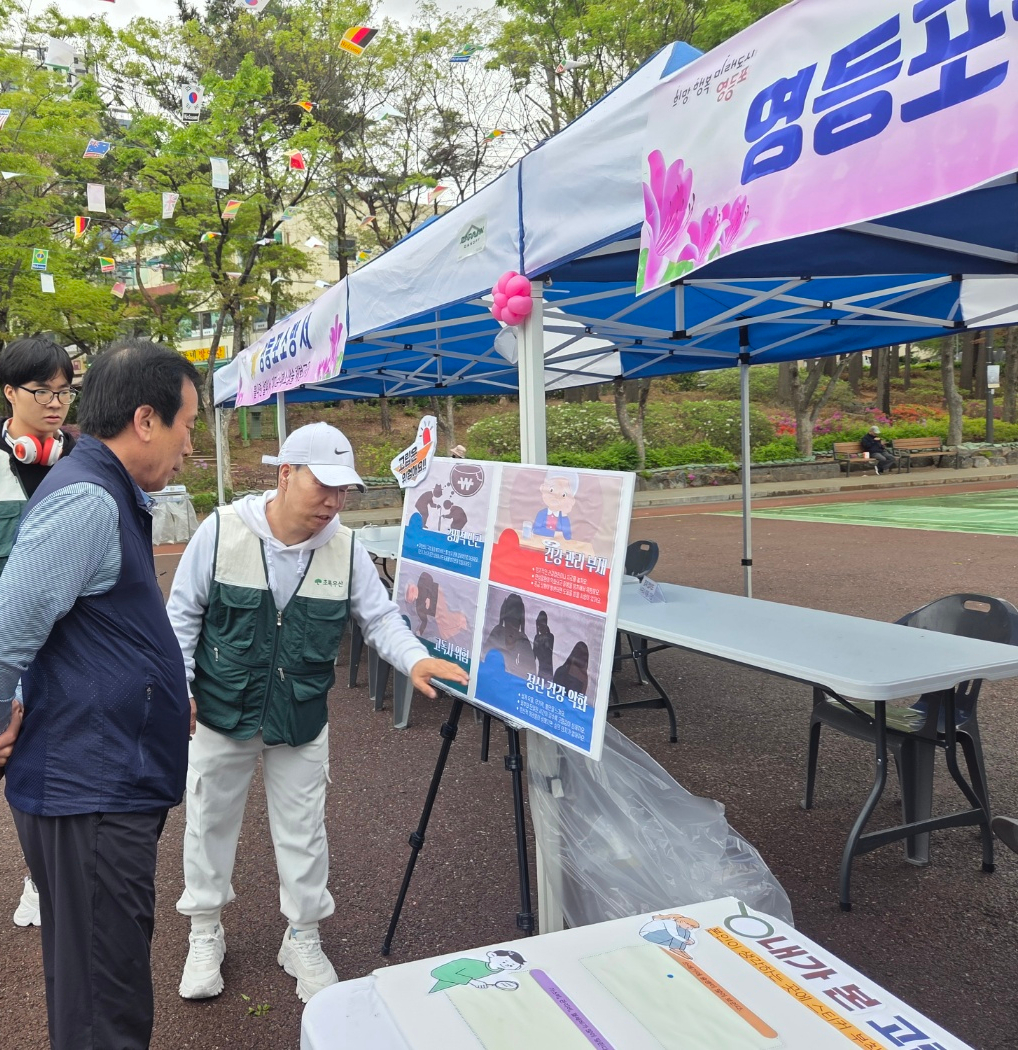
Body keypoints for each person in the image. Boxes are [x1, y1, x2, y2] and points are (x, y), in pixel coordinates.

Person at [166, 422, 468, 1004]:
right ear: (286, 474)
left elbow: (379, 618)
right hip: (222, 708)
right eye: (322, 485)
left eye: (343, 489)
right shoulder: (222, 530)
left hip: (300, 715)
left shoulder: (346, 548)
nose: (333, 501)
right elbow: (181, 616)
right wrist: (180, 688)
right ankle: (205, 931)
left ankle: (302, 935)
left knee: (304, 831)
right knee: (207, 820)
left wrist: (414, 659)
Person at [0, 340, 200, 1050]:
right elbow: (9, 629)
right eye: (186, 425)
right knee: (102, 1004)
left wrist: (164, 688)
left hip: (102, 776)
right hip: (90, 783)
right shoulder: (87, 498)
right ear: (146, 419)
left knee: (99, 983)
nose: (189, 445)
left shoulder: (106, 489)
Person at [0, 337, 78, 929]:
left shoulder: (81, 460)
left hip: (72, 643)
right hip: (9, 642)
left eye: (64, 391)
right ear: (9, 392)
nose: (55, 402)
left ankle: (50, 874)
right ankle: (36, 872)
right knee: (14, 749)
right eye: (41, 391)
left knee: (64, 754)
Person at [533, 469, 579, 539]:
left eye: (563, 495)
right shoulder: (541, 513)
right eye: (551, 490)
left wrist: (564, 514)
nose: (556, 496)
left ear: (571, 501)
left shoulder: (563, 518)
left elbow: (567, 536)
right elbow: (536, 530)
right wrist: (554, 534)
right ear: (542, 488)